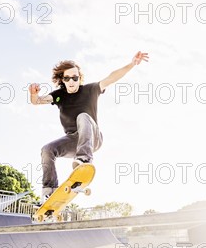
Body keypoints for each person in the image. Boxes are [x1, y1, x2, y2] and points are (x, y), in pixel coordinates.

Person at [29, 51, 149, 202]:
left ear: (79, 78)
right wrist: (33, 94)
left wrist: (131, 64)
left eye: (75, 77)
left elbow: (111, 78)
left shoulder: (90, 90)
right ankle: (49, 191)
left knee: (83, 116)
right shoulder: (59, 95)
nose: (71, 81)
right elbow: (37, 101)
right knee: (47, 149)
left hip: (93, 138)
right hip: (73, 141)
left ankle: (85, 159)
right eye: (67, 78)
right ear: (62, 80)